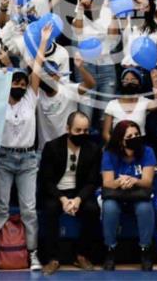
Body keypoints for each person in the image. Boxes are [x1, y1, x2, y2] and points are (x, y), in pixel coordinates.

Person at [0, 26, 55, 272]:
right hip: (3, 158)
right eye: (15, 81)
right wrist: (4, 64)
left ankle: (33, 253)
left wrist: (44, 40)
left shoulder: (30, 97)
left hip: (28, 160)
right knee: (0, 207)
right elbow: (1, 74)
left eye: (23, 82)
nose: (20, 84)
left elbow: (36, 69)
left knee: (29, 208)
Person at [39, 111, 102, 275]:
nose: (82, 134)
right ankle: (52, 258)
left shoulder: (93, 149)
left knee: (92, 209)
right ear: (68, 129)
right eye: (78, 130)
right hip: (57, 191)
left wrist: (79, 199)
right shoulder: (52, 147)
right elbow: (46, 181)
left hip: (80, 191)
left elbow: (92, 181)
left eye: (85, 131)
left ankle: (81, 255)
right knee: (50, 209)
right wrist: (62, 199)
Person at [101, 120, 157, 272]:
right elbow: (107, 182)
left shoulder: (148, 152)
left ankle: (145, 250)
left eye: (137, 134)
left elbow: (147, 181)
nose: (134, 137)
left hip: (138, 193)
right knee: (110, 207)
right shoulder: (109, 153)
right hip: (117, 193)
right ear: (120, 140)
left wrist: (134, 180)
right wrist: (121, 181)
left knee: (145, 208)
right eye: (130, 135)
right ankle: (110, 250)